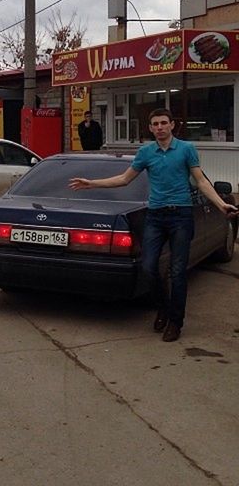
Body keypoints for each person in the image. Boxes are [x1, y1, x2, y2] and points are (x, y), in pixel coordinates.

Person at [69, 108, 237, 342]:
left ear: (172, 125)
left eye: (163, 123)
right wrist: (91, 183)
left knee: (178, 272)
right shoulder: (146, 152)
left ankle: (175, 322)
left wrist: (221, 204)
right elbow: (124, 179)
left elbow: (200, 181)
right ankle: (164, 308)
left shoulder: (186, 149)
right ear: (150, 128)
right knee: (148, 267)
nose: (159, 127)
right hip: (155, 217)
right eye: (155, 124)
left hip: (181, 216)